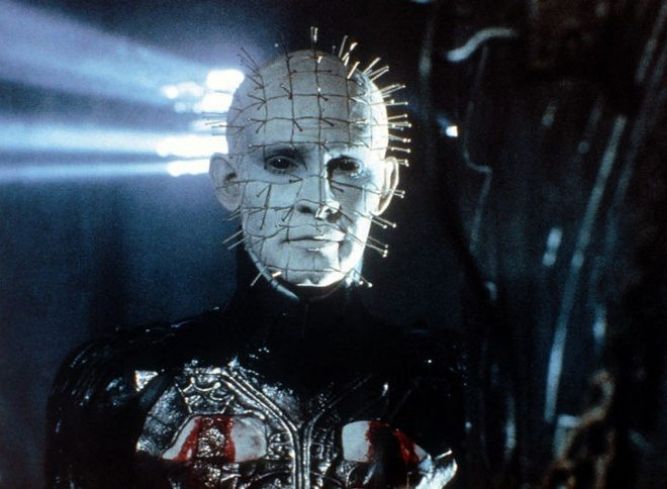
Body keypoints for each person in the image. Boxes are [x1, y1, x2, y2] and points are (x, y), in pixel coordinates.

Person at [46, 34, 464, 489]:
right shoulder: (126, 384)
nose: (320, 199)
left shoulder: (448, 386)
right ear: (229, 181)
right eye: (282, 162)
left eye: (347, 166)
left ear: (384, 187)